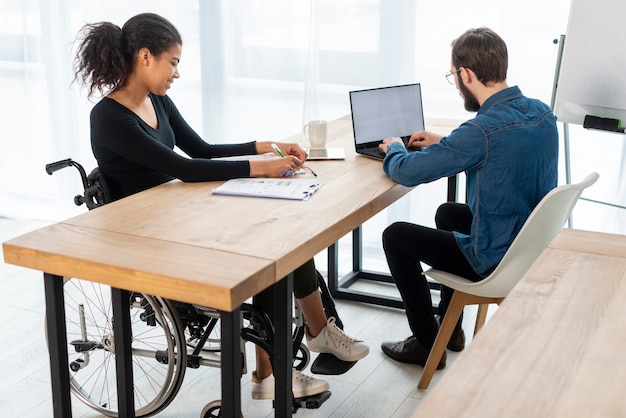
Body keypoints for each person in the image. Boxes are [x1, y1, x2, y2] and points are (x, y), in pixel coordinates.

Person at [72, 12, 368, 400]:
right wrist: (263, 168)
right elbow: (185, 168)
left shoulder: (158, 102)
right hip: (149, 236)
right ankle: (303, 345)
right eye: (173, 62)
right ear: (146, 57)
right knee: (274, 246)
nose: (176, 73)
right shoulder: (109, 117)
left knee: (284, 237)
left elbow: (202, 150)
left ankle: (292, 355)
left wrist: (263, 146)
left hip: (179, 214)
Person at [377, 27, 558, 369]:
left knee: (395, 236)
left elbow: (406, 172)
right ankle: (452, 329)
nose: (456, 84)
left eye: (453, 76)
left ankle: (427, 344)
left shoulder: (480, 131)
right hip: (527, 246)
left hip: (494, 256)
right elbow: (500, 150)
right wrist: (446, 143)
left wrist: (395, 148)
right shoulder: (542, 113)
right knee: (449, 213)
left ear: (466, 74)